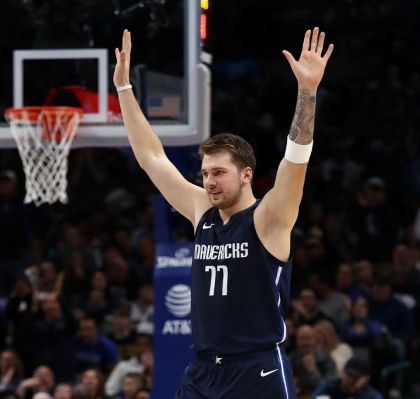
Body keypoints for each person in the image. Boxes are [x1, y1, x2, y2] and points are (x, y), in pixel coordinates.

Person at [114, 26, 333, 398]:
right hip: (202, 369)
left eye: (218, 173)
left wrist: (307, 91)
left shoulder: (268, 219)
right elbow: (152, 158)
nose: (209, 182)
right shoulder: (202, 210)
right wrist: (123, 89)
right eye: (205, 174)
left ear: (246, 174)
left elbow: (296, 160)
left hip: (256, 368)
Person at [312, 357, 383, 399]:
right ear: (343, 373)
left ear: (365, 379)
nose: (350, 379)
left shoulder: (371, 395)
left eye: (355, 377)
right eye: (348, 374)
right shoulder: (329, 386)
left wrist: (355, 392)